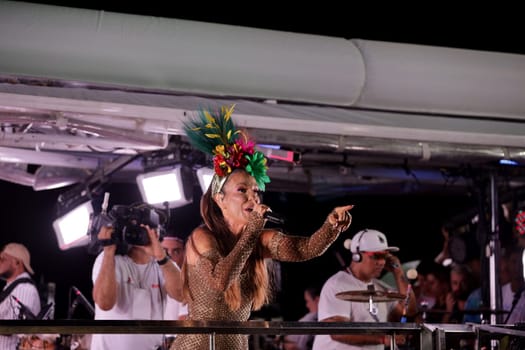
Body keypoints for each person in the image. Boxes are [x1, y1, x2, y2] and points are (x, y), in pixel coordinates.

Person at [171, 105, 353, 350]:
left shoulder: (257, 237)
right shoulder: (202, 237)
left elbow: (305, 249)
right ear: (220, 200)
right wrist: (253, 230)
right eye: (242, 191)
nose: (253, 198)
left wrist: (330, 227)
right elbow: (219, 282)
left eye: (256, 191)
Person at [90, 214, 183, 350]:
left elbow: (181, 294)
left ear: (157, 233)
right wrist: (108, 251)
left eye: (147, 229)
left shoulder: (164, 264)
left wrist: (161, 257)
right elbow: (104, 303)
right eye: (137, 229)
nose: (141, 234)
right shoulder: (108, 259)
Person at [312, 229, 417, 350]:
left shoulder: (380, 287)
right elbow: (337, 332)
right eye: (376, 256)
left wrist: (398, 271)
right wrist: (383, 339)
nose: (382, 262)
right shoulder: (336, 284)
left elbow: (409, 311)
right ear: (357, 256)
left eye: (385, 256)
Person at [0, 243, 41, 350]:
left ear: (17, 262)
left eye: (2, 259)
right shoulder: (11, 289)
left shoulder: (24, 288)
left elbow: (13, 327)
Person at [162, 234, 188, 349]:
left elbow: (184, 317)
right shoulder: (150, 275)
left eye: (176, 251)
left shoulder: (188, 281)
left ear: (184, 254)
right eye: (165, 252)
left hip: (173, 342)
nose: (170, 257)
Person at [281, 285, 321, 350]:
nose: (307, 305)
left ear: (317, 300)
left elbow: (290, 343)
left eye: (308, 301)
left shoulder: (311, 318)